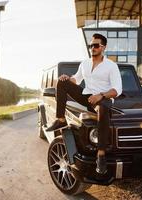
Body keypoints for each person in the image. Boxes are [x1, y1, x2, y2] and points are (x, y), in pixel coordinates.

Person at [46, 33, 122, 174]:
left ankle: (101, 155)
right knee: (62, 83)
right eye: (90, 45)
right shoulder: (85, 63)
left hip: (103, 99)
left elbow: (117, 90)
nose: (92, 48)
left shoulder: (111, 66)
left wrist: (100, 95)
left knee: (103, 108)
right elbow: (77, 79)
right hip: (86, 96)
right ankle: (61, 119)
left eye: (95, 45)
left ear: (103, 47)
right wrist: (67, 79)